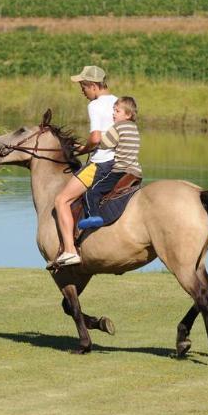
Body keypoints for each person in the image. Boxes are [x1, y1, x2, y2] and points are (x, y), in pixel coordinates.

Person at [53, 65, 117, 267]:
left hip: (101, 164)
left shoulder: (95, 105)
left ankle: (70, 251)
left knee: (61, 200)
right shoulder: (119, 102)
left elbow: (96, 138)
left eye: (83, 86)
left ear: (94, 85)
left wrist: (83, 149)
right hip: (121, 162)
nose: (82, 90)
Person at [78, 96, 142, 229]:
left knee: (92, 191)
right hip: (136, 170)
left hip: (121, 170)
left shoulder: (118, 127)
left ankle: (93, 217)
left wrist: (86, 145)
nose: (113, 114)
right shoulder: (134, 128)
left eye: (117, 111)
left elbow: (104, 144)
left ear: (128, 114)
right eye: (114, 110)